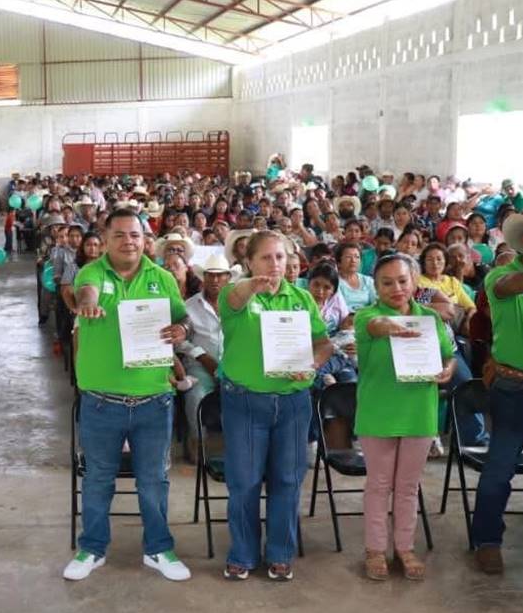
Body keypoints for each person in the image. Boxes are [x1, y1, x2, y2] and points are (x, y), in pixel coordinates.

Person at [64, 209, 191, 583]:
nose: (128, 241)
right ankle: (91, 548)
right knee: (98, 477)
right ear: (105, 240)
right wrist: (86, 303)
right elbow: (85, 291)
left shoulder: (162, 278)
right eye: (119, 235)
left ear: (145, 239)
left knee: (153, 479)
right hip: (102, 402)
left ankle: (158, 549)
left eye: (134, 235)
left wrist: (180, 330)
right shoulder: (93, 274)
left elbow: (181, 317)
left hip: (154, 399)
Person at [217, 230, 332, 582]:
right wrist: (253, 285)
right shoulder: (235, 294)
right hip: (246, 403)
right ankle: (243, 553)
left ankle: (281, 553)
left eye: (280, 257)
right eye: (265, 257)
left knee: (287, 479)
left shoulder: (301, 298)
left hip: (294, 403)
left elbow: (323, 343)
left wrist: (313, 364)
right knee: (245, 481)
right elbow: (235, 300)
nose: (274, 264)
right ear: (248, 261)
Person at [354, 254, 456, 581]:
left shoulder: (430, 319)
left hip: (419, 412)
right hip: (378, 412)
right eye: (387, 283)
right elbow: (376, 326)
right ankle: (374, 549)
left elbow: (448, 355)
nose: (396, 288)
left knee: (408, 487)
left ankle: (404, 548)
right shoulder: (366, 316)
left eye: (402, 280)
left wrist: (446, 370)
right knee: (379, 485)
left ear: (414, 282)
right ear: (377, 286)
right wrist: (393, 326)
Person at [470, 215, 523, 574]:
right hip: (513, 386)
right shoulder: (498, 276)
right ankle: (487, 540)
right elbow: (509, 287)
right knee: (500, 466)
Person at [178, 253, 231, 455]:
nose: (215, 280)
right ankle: (198, 442)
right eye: (210, 275)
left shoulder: (236, 305)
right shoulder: (190, 306)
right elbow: (181, 340)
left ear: (228, 278)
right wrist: (201, 356)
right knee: (196, 396)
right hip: (199, 365)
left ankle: (238, 444)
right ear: (204, 277)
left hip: (232, 364)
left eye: (220, 275)